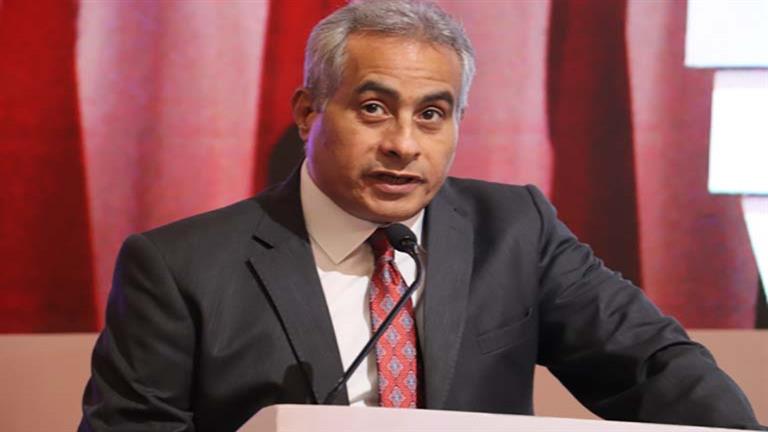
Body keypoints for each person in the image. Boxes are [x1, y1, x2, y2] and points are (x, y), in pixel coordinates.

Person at [79, 1, 763, 431]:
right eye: (374, 108)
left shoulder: (515, 230)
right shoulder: (180, 267)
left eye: (432, 114)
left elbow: (652, 366)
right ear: (309, 113)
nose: (404, 144)